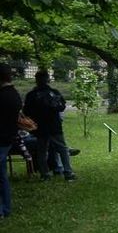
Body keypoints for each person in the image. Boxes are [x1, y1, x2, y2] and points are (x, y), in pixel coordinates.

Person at [22, 70, 76, 182]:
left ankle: (45, 174)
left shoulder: (32, 95)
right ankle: (68, 172)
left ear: (36, 80)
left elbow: (26, 111)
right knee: (62, 149)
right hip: (54, 125)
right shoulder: (54, 93)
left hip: (40, 126)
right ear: (48, 79)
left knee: (42, 150)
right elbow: (61, 107)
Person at [0, 63, 23, 218]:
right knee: (2, 176)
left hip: (2, 139)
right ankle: (5, 208)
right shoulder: (14, 94)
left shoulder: (3, 95)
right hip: (7, 138)